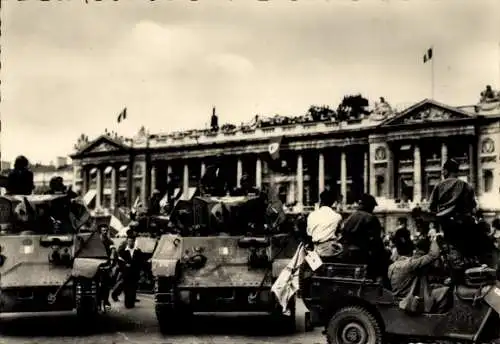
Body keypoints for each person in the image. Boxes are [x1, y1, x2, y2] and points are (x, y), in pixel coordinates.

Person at [429, 158, 494, 282]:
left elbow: (431, 208)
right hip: (465, 227)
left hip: (448, 228)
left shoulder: (438, 186)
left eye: (443, 170)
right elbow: (473, 207)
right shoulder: (466, 186)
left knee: (452, 257)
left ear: (446, 171)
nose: (442, 172)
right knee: (469, 257)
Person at [389, 233, 451, 314]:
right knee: (446, 291)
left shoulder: (392, 266)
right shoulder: (411, 264)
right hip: (410, 301)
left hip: (399, 298)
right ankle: (435, 319)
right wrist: (434, 239)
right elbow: (434, 255)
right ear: (412, 250)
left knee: (436, 287)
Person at [337, 194, 389, 281]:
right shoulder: (371, 218)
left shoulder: (350, 217)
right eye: (372, 206)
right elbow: (376, 241)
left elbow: (343, 235)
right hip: (362, 256)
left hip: (347, 255)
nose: (373, 209)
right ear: (368, 206)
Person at [306, 190, 343, 257]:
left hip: (315, 250)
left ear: (321, 201)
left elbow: (309, 234)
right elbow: (340, 233)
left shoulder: (312, 215)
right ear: (333, 202)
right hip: (330, 250)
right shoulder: (337, 216)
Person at [114, 231, 143, 307]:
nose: (131, 243)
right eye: (129, 241)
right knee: (126, 288)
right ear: (127, 241)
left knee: (133, 288)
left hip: (134, 273)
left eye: (132, 241)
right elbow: (120, 261)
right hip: (126, 273)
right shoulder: (123, 251)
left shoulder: (138, 251)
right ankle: (127, 303)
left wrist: (137, 269)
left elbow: (141, 262)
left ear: (134, 242)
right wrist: (124, 266)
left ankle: (132, 302)